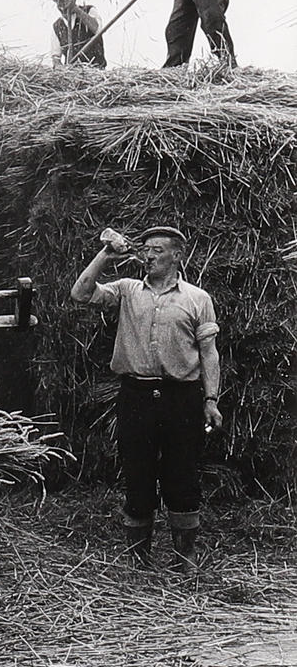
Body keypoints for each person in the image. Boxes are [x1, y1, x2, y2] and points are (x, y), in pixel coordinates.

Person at [70, 226, 223, 573]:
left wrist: (210, 399)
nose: (149, 255)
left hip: (181, 398)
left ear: (176, 255)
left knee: (181, 476)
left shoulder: (197, 298)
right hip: (135, 396)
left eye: (157, 250)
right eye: (146, 249)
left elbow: (209, 354)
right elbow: (80, 294)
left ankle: (185, 558)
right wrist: (106, 255)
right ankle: (139, 560)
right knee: (137, 475)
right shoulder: (126, 290)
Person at [50, 0, 106, 68]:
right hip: (73, 75)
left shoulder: (89, 10)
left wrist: (76, 9)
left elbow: (97, 29)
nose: (63, 8)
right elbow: (56, 57)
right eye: (60, 4)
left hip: (95, 70)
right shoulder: (57, 26)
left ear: (74, 0)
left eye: (65, 3)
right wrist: (60, 68)